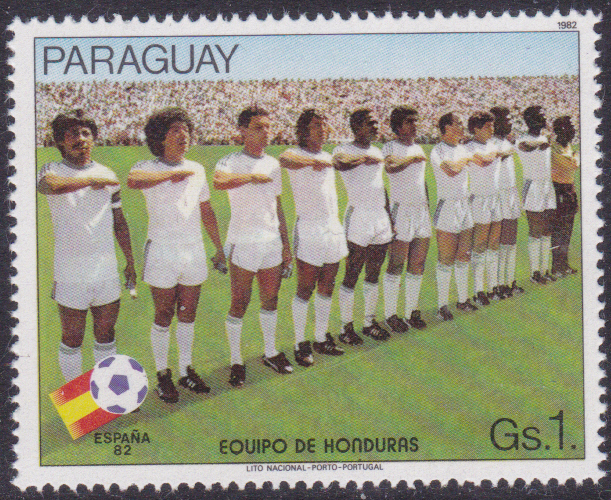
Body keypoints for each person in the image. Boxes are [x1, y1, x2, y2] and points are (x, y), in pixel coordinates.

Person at [127, 107, 225, 403]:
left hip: (193, 250)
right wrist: (173, 173)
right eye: (174, 130)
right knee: (164, 313)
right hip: (161, 250)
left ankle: (185, 369)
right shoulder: (147, 166)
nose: (183, 135)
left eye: (185, 130)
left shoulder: (197, 169)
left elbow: (206, 209)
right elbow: (133, 180)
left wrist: (218, 248)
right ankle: (162, 374)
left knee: (188, 312)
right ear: (160, 137)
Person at [37, 110, 136, 382]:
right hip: (70, 271)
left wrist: (130, 261)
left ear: (93, 139)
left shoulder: (108, 174)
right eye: (72, 134)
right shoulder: (52, 169)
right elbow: (48, 186)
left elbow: (119, 222)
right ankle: (76, 403)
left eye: (85, 133)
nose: (80, 139)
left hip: (105, 270)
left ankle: (104, 394)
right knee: (72, 338)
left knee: (106, 335)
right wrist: (91, 181)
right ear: (60, 141)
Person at [214, 107, 293, 388]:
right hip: (243, 241)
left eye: (268, 127)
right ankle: (236, 361)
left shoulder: (273, 164)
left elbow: (278, 206)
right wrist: (250, 178)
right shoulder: (230, 160)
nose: (266, 132)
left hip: (271, 241)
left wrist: (286, 246)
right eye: (259, 127)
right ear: (243, 131)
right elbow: (218, 182)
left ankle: (270, 352)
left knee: (270, 298)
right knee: (240, 302)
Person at [279, 110, 347, 366]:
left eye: (324, 124)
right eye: (316, 125)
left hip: (332, 226)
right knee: (305, 287)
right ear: (304, 130)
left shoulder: (328, 156)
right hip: (309, 227)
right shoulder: (295, 153)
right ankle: (300, 342)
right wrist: (310, 163)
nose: (322, 129)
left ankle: (320, 337)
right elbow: (284, 159)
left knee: (327, 285)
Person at [333, 109, 393, 344]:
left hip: (380, 216)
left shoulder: (377, 150)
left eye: (376, 123)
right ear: (357, 127)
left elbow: (380, 185)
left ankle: (369, 322)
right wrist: (363, 159)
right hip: (359, 216)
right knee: (352, 271)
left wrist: (389, 216)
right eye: (371, 123)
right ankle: (345, 327)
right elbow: (339, 164)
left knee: (374, 271)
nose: (376, 127)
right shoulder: (343, 149)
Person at [381, 106, 430, 331]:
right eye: (409, 122)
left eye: (415, 121)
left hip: (421, 211)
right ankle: (390, 314)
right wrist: (411, 159)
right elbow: (390, 167)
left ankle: (411, 311)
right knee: (396, 263)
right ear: (398, 126)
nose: (414, 125)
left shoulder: (418, 147)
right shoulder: (390, 147)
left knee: (418, 263)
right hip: (401, 210)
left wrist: (427, 207)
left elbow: (422, 180)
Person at [430, 113, 478, 321]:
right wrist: (465, 159)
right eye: (458, 123)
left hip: (464, 204)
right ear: (447, 127)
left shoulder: (462, 149)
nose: (462, 126)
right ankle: (442, 305)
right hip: (447, 206)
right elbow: (451, 170)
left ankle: (462, 300)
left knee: (464, 255)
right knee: (446, 258)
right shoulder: (437, 150)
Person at [465, 112, 504, 306]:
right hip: (479, 198)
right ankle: (478, 290)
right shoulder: (468, 147)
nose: (492, 129)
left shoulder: (493, 144)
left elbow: (507, 151)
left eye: (492, 125)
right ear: (476, 129)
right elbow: (484, 160)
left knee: (494, 243)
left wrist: (497, 152)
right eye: (488, 126)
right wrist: (496, 153)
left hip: (495, 197)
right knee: (479, 244)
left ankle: (493, 286)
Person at [516, 106, 557, 285]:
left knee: (547, 229)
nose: (544, 119)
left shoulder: (545, 137)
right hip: (532, 186)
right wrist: (542, 143)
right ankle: (535, 273)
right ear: (530, 120)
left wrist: (545, 140)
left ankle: (545, 270)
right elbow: (525, 148)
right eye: (540, 116)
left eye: (544, 116)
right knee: (535, 230)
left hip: (547, 185)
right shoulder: (522, 139)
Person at [489, 107, 525, 298]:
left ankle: (509, 282)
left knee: (510, 242)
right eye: (507, 120)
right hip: (497, 195)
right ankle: (495, 285)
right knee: (497, 243)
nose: (510, 123)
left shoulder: (505, 142)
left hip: (510, 194)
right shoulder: (490, 143)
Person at [550, 116, 580, 277]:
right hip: (558, 190)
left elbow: (573, 163)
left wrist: (573, 157)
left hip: (570, 190)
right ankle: (556, 266)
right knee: (558, 231)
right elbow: (572, 164)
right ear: (559, 130)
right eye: (569, 127)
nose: (572, 131)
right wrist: (574, 157)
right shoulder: (553, 148)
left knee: (567, 230)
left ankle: (564, 264)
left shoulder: (568, 147)